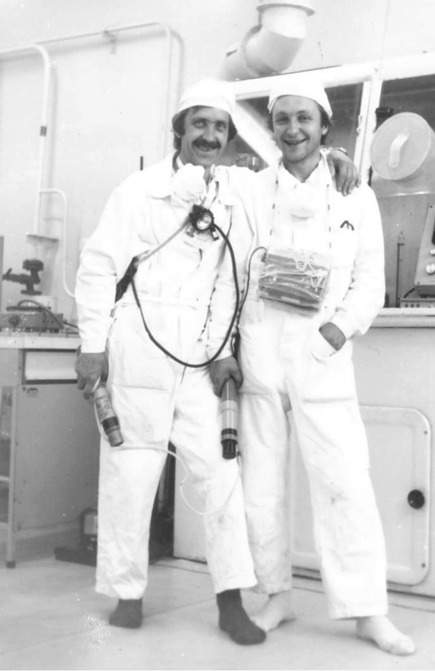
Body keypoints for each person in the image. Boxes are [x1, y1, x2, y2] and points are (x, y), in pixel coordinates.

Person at [75, 78, 357, 643]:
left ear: (229, 138)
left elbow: (242, 260)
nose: (209, 136)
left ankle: (230, 599)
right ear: (178, 130)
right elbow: (98, 267)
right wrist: (91, 345)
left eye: (220, 128)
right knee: (132, 472)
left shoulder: (236, 189)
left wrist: (333, 156)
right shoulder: (138, 190)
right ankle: (127, 594)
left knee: (222, 473)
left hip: (200, 352)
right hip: (138, 344)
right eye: (199, 124)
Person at [225, 78, 416, 656]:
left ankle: (367, 611)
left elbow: (371, 282)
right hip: (261, 352)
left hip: (320, 354)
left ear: (324, 126)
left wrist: (337, 330)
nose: (293, 129)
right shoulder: (251, 190)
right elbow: (231, 270)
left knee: (345, 483)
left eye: (304, 118)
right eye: (282, 119)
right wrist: (233, 347)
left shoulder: (355, 194)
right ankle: (276, 596)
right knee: (260, 487)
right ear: (272, 127)